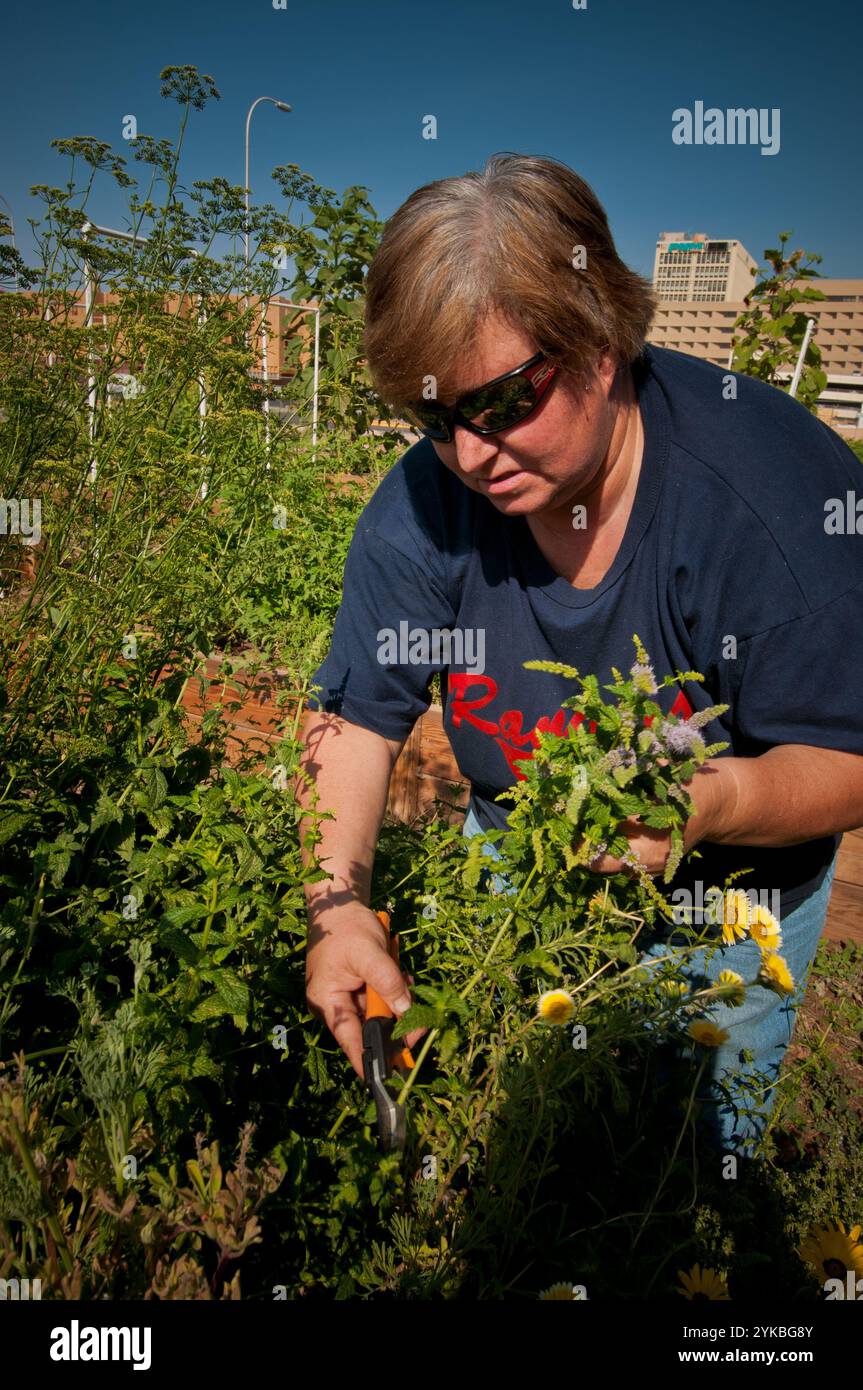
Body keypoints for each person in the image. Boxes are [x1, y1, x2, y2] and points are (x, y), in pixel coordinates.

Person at [298, 152, 863, 1156]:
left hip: (728, 905)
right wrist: (336, 906)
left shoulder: (773, 505)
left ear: (601, 342)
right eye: (436, 418)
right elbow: (356, 716)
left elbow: (843, 757)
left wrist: (708, 802)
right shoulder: (423, 507)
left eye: (506, 402)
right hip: (513, 857)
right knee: (513, 1140)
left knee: (675, 1183)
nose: (470, 455)